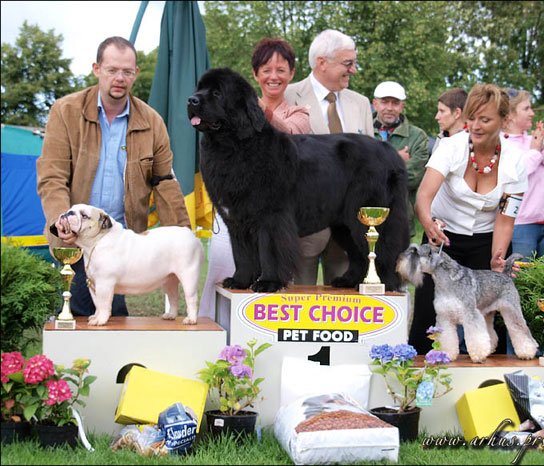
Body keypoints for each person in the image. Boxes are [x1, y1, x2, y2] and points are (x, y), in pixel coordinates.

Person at [37, 36, 190, 317]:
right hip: (78, 240)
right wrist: (62, 224)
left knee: (114, 322)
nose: (120, 78)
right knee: (80, 316)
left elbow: (165, 182)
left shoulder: (152, 121)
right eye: (112, 70)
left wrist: (183, 232)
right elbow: (52, 176)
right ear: (97, 69)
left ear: (135, 74)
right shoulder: (64, 111)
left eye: (127, 72)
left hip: (124, 243)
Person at [409, 84, 528, 354]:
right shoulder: (450, 147)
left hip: (488, 241)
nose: (475, 125)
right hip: (442, 240)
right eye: (471, 117)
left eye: (484, 119)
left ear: (503, 121)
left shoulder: (516, 161)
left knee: (492, 319)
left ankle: (490, 386)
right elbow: (423, 197)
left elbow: (506, 218)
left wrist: (497, 258)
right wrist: (428, 223)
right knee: (428, 319)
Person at [198, 38, 310, 318]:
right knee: (225, 282)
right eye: (266, 69)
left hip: (273, 222)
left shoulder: (298, 112)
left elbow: (290, 134)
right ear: (256, 74)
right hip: (234, 217)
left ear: (291, 74)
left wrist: (255, 108)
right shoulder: (232, 108)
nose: (273, 76)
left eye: (281, 70)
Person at [284, 29, 374, 286]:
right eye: (348, 63)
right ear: (322, 62)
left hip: (350, 231)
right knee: (299, 307)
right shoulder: (288, 96)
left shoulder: (361, 103)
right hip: (304, 231)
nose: (354, 70)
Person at [503, 88, 544, 260]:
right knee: (524, 279)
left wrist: (542, 148)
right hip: (521, 224)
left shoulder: (534, 140)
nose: (532, 113)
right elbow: (515, 174)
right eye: (526, 109)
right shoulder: (501, 143)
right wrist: (536, 153)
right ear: (511, 115)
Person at [372, 81, 429, 237]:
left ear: (402, 106)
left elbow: (412, 178)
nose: (390, 108)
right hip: (363, 220)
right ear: (375, 104)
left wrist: (374, 167)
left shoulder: (417, 136)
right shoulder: (363, 130)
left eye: (395, 103)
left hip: (399, 221)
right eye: (384, 102)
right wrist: (397, 159)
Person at [432, 88, 468, 153]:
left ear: (457, 113)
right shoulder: (441, 138)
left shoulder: (472, 142)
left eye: (442, 111)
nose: (436, 117)